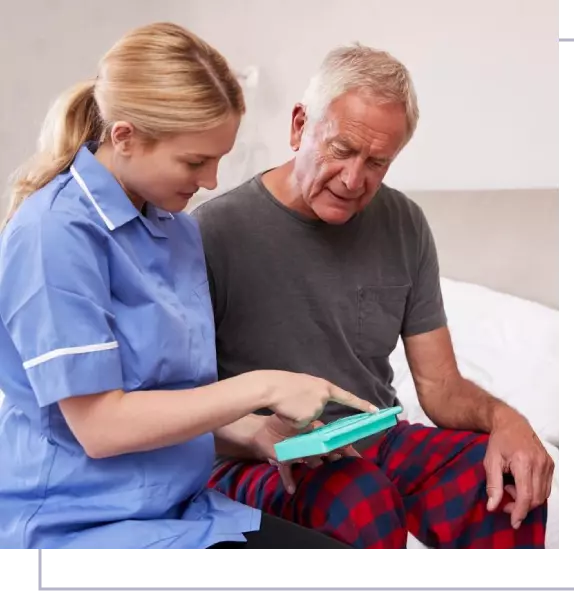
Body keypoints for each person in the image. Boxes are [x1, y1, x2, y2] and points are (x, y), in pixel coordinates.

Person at [0, 23, 380, 552]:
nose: (212, 182)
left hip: (180, 509)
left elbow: (166, 399)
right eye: (195, 161)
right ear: (125, 137)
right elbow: (101, 428)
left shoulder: (176, 229)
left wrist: (253, 433)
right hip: (75, 525)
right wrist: (267, 387)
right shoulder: (53, 234)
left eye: (219, 159)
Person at [192, 43, 555, 551]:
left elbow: (441, 387)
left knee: (501, 478)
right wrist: (256, 432)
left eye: (377, 162)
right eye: (341, 149)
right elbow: (180, 402)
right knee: (360, 498)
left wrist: (508, 421)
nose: (353, 179)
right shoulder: (211, 233)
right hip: (259, 457)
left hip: (375, 440)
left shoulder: (405, 225)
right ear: (299, 126)